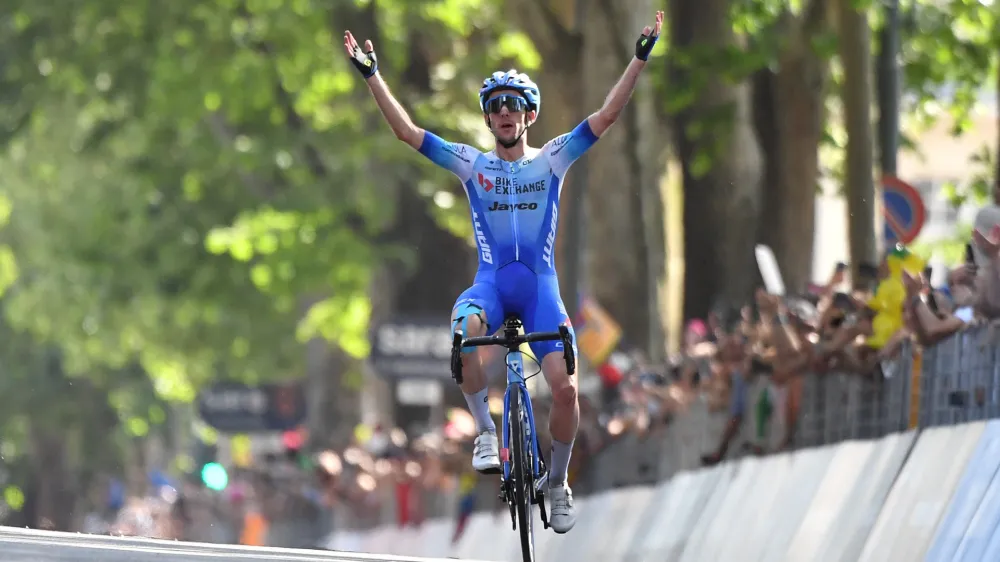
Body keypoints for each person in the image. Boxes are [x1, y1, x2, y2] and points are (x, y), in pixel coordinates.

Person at [343, 11, 662, 534]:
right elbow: (407, 132)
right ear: (489, 120)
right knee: (464, 337)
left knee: (565, 392)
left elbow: (605, 117)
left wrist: (639, 57)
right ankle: (486, 432)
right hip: (491, 285)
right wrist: (373, 74)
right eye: (497, 107)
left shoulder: (554, 159)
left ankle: (556, 482)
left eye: (515, 106)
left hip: (540, 291)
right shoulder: (472, 164)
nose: (506, 113)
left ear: (529, 116)